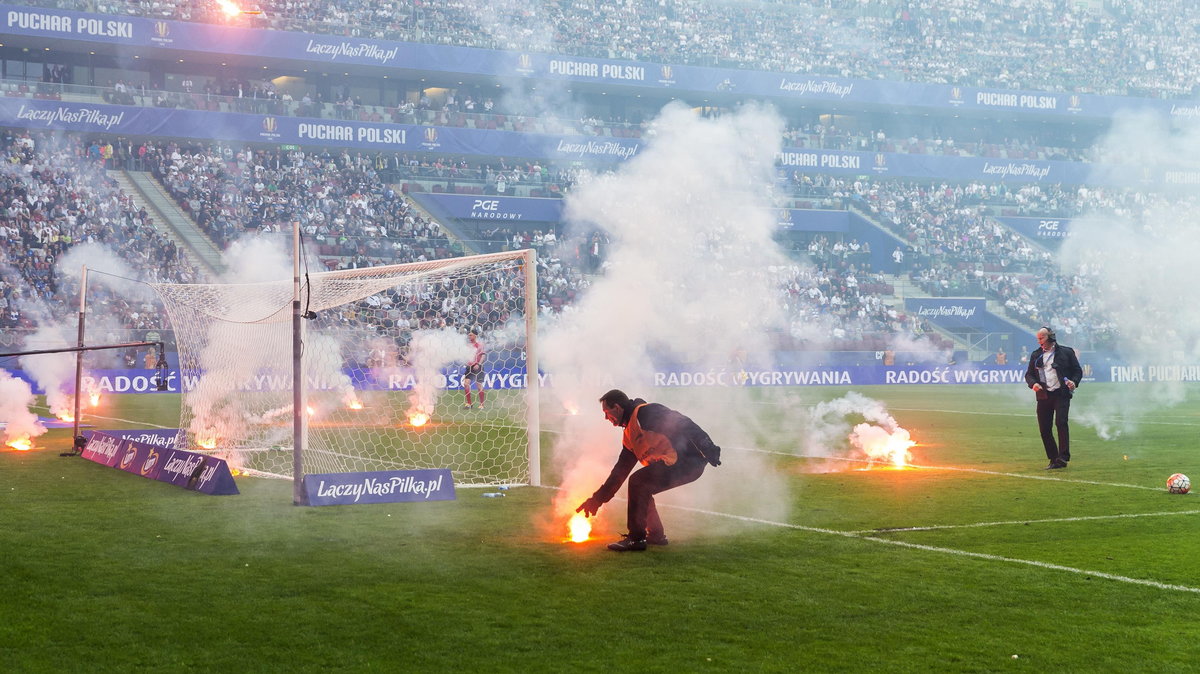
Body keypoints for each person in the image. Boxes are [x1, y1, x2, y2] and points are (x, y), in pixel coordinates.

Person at [576, 389, 722, 552]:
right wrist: (596, 500)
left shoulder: (645, 413)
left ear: (616, 408)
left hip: (688, 462)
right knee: (642, 487)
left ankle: (636, 539)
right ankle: (656, 536)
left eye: (606, 412)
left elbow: (683, 422)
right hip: (680, 464)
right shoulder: (630, 433)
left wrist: (707, 446)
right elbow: (619, 472)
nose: (605, 417)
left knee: (639, 482)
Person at [1023, 327, 1082, 469]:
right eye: (1038, 339)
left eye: (1041, 338)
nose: (1039, 342)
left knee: (1061, 423)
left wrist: (1074, 382)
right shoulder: (1036, 354)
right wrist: (1034, 384)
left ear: (1050, 337)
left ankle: (1063, 457)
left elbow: (1077, 370)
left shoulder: (1066, 352)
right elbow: (1029, 374)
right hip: (1043, 395)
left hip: (1061, 393)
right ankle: (1053, 458)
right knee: (1044, 429)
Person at [462, 332, 486, 409]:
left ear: (475, 336)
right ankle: (469, 404)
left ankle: (482, 404)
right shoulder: (467, 346)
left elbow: (483, 356)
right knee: (466, 384)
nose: (469, 336)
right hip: (469, 367)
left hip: (478, 367)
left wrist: (478, 364)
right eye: (468, 335)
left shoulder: (479, 345)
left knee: (478, 385)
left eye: (471, 335)